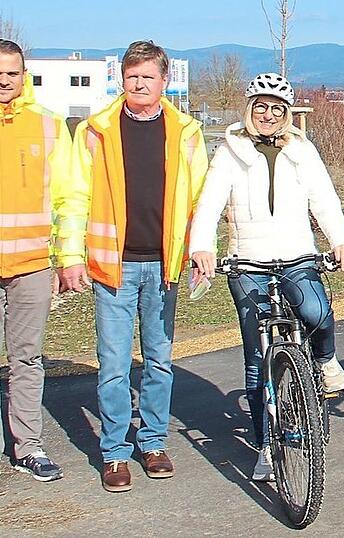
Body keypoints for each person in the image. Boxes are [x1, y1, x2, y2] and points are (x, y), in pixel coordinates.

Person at [54, 40, 209, 492]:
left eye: (148, 77)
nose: (139, 84)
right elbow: (75, 197)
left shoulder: (187, 132)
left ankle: (154, 442)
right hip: (113, 267)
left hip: (165, 266)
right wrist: (69, 256)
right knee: (115, 365)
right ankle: (116, 452)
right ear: (121, 79)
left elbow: (200, 198)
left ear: (165, 81)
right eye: (132, 76)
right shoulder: (95, 131)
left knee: (159, 362)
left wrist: (201, 248)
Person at [189, 73, 344, 482]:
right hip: (248, 262)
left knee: (316, 312)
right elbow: (209, 203)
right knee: (255, 357)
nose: (268, 114)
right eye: (260, 107)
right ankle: (265, 444)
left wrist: (341, 239)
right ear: (249, 110)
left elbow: (324, 197)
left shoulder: (303, 150)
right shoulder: (230, 151)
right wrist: (202, 248)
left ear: (286, 114)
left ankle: (325, 360)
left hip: (297, 254)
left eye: (276, 108)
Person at [0, 39, 71, 482]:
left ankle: (28, 446)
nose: (4, 80)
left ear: (23, 76)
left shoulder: (48, 125)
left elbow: (66, 197)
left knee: (26, 359)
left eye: (11, 73)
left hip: (30, 264)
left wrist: (67, 257)